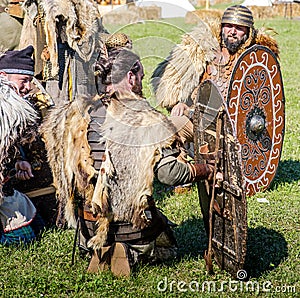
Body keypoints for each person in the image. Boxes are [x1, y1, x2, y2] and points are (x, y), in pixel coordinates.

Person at [40, 35, 218, 276]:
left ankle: (103, 248)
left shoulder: (71, 115)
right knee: (167, 241)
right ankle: (129, 249)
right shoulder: (146, 119)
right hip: (134, 230)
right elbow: (170, 174)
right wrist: (203, 170)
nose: (142, 82)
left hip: (88, 229)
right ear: (131, 77)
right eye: (141, 76)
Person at [152, 4, 279, 123]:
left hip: (236, 127)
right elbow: (182, 86)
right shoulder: (204, 51)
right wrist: (180, 103)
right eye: (228, 26)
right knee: (170, 129)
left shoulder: (256, 61)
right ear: (222, 27)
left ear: (248, 32)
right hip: (197, 119)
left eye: (239, 28)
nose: (232, 32)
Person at [0, 46, 46, 245]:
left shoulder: (13, 108)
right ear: (3, 76)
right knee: (21, 241)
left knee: (40, 228)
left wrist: (19, 161)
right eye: (23, 81)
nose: (28, 87)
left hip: (5, 189)